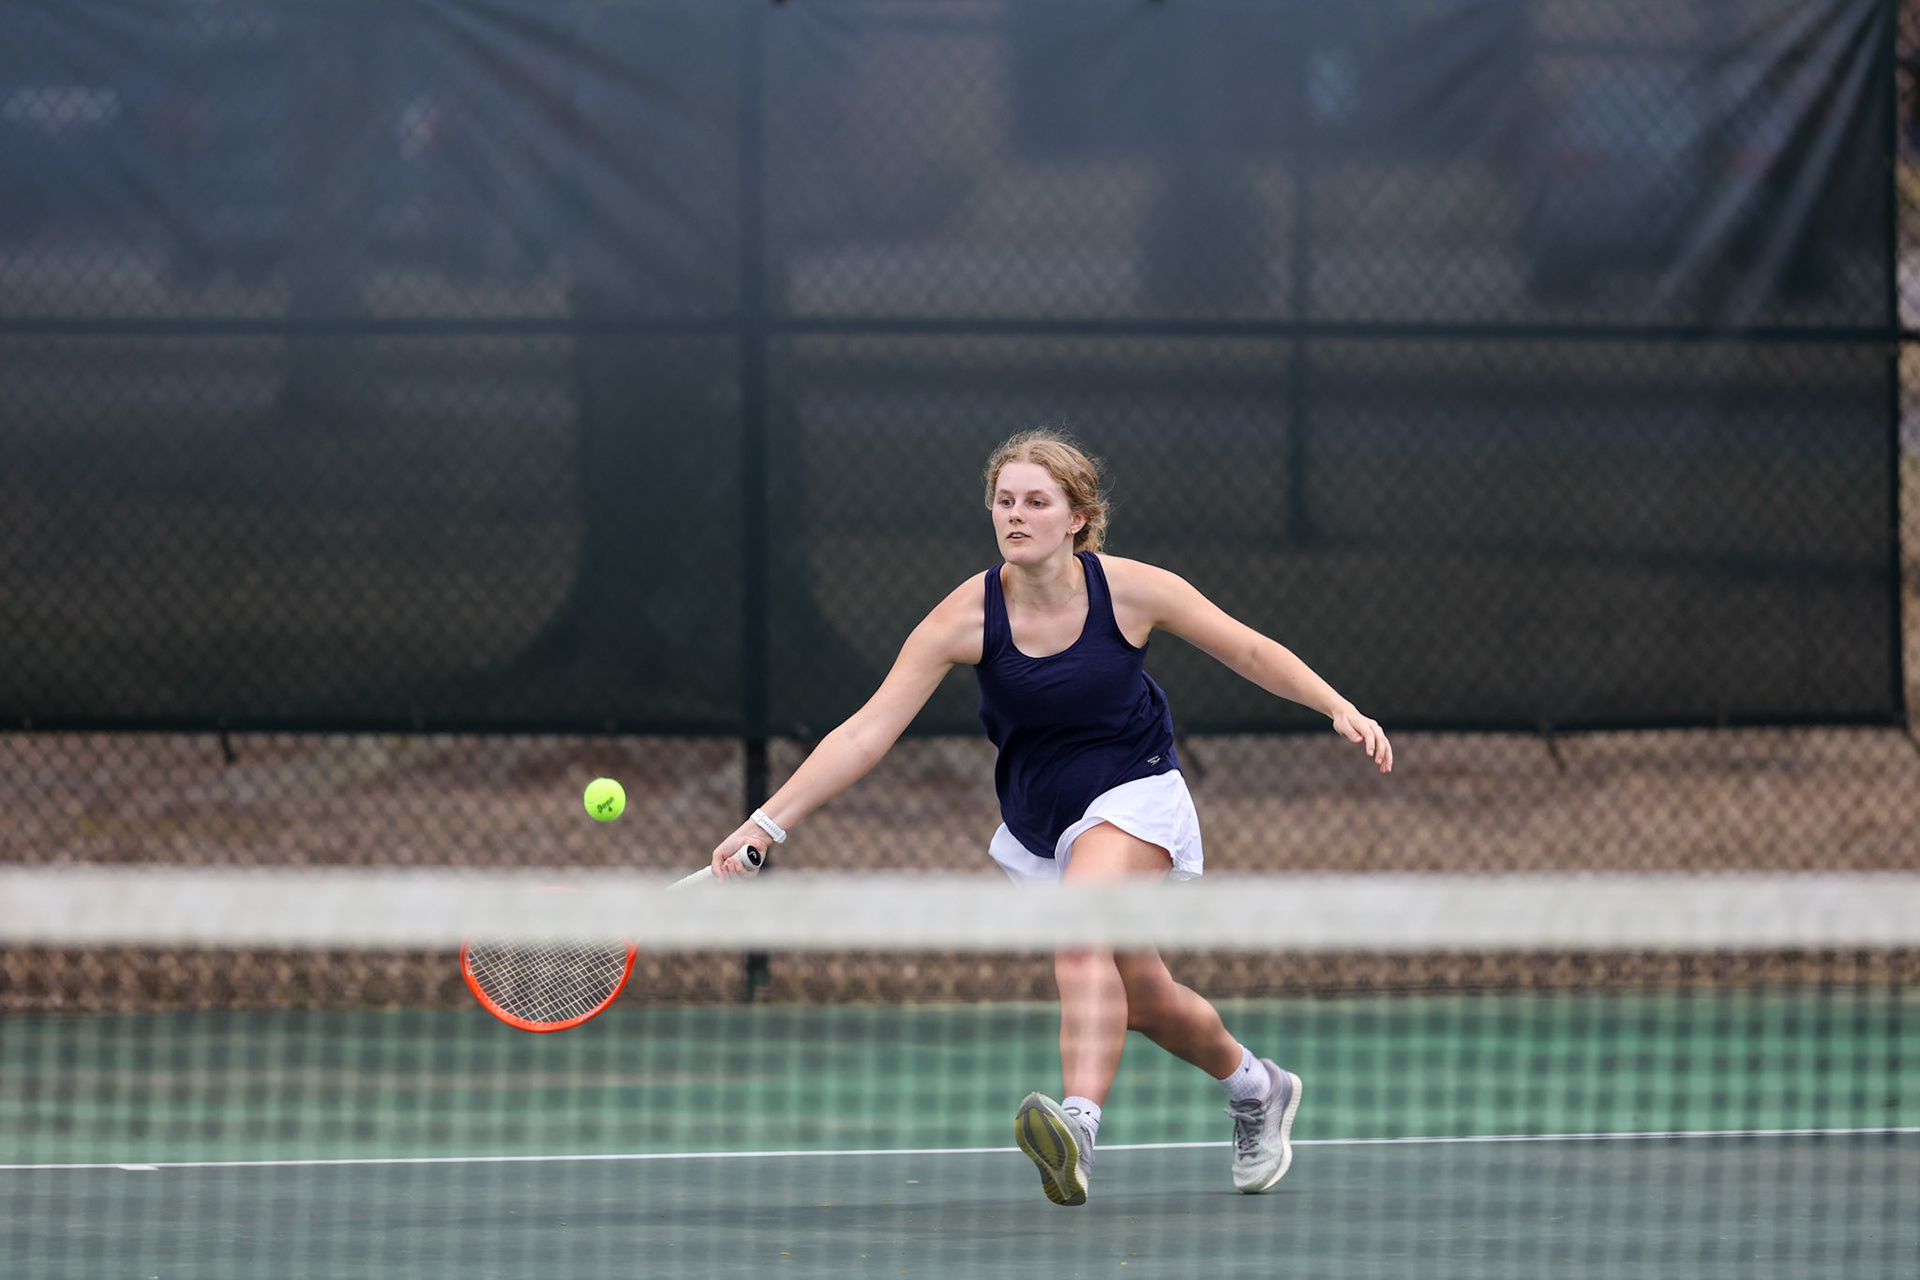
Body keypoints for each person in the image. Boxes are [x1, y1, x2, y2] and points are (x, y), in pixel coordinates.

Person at [708, 427, 1393, 1206]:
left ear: (1077, 516)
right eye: (1005, 501)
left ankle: (1078, 1130)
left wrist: (1337, 706)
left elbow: (1248, 651)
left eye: (1037, 501)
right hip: (1043, 820)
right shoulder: (965, 618)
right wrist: (768, 821)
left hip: (1137, 790)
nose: (1016, 515)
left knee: (1079, 932)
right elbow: (867, 731)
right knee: (1143, 1000)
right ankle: (1256, 1085)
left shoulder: (1130, 590)